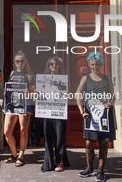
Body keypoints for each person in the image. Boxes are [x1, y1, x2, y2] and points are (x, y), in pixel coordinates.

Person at [76, 52, 115, 182]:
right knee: (89, 142)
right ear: (89, 64)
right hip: (90, 115)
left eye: (97, 64)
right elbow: (78, 93)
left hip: (104, 115)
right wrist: (82, 110)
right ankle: (89, 168)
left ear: (101, 64)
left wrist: (110, 103)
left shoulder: (107, 79)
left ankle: (100, 170)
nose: (95, 67)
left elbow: (113, 95)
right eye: (92, 64)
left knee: (103, 143)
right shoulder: (86, 78)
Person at [4, 50, 35, 167]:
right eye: (17, 61)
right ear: (14, 62)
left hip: (24, 104)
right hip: (11, 104)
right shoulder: (12, 73)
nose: (20, 63)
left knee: (23, 130)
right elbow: (10, 88)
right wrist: (6, 93)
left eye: (22, 61)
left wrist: (29, 93)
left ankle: (21, 155)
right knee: (7, 131)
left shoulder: (29, 76)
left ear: (25, 61)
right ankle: (14, 154)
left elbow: (34, 94)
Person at [41, 57, 70, 172]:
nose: (54, 65)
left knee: (60, 137)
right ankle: (48, 162)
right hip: (47, 110)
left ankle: (60, 161)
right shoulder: (43, 79)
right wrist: (35, 93)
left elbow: (70, 95)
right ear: (48, 65)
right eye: (51, 63)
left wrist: (68, 94)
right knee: (48, 137)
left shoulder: (64, 79)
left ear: (59, 65)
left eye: (56, 63)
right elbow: (39, 94)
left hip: (59, 111)